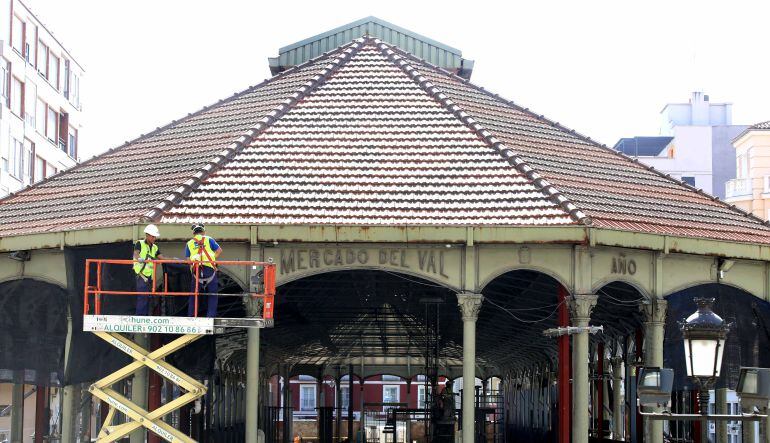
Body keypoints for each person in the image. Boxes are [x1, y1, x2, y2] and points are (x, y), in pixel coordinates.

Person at [186, 224, 222, 317]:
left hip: (196, 271)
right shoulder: (209, 239)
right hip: (209, 270)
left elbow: (188, 260)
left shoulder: (189, 243)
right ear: (203, 232)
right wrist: (212, 259)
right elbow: (219, 250)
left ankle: (191, 317)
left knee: (194, 295)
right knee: (212, 295)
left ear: (194, 233)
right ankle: (210, 317)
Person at [134, 224, 165, 315]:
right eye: (152, 236)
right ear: (147, 235)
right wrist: (140, 259)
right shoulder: (140, 243)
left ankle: (145, 320)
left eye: (155, 236)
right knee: (142, 299)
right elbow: (136, 254)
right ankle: (139, 320)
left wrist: (173, 260)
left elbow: (162, 258)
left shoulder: (155, 247)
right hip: (141, 276)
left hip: (149, 278)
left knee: (148, 299)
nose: (154, 238)